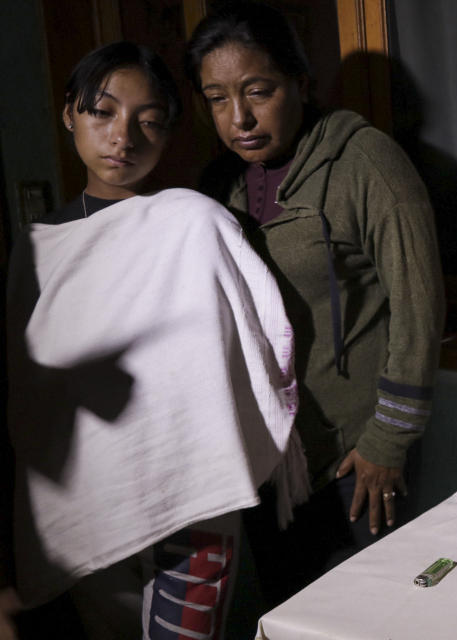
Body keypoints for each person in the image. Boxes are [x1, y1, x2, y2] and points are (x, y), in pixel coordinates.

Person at [2, 42, 305, 640]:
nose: (124, 136)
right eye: (103, 112)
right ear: (70, 114)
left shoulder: (192, 221)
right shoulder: (36, 248)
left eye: (149, 121)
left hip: (189, 495)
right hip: (83, 506)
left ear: (168, 134)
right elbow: (26, 389)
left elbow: (261, 337)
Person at [185, 1, 444, 606]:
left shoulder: (365, 164)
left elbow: (419, 306)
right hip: (269, 453)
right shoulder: (215, 184)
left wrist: (387, 441)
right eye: (217, 98)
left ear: (300, 83)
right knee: (286, 607)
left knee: (364, 613)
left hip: (357, 449)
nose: (240, 117)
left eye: (258, 91)